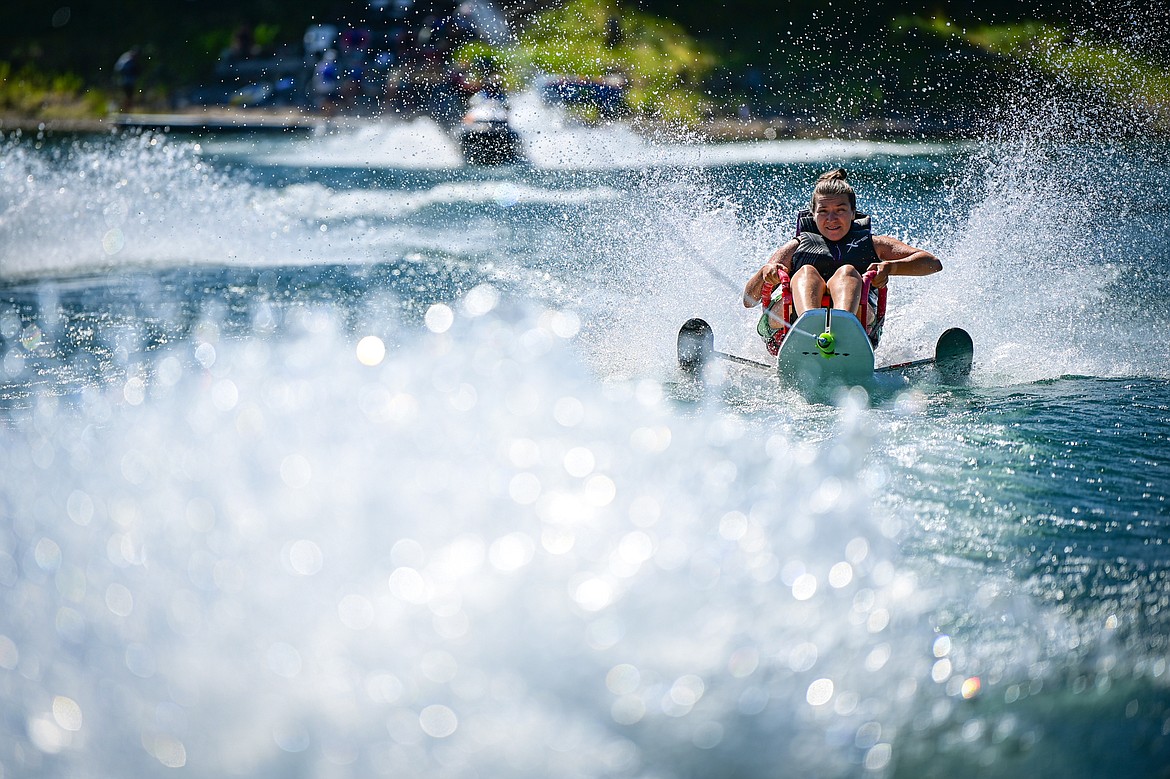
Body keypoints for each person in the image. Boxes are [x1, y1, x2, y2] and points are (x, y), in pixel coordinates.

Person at [743, 168, 942, 352]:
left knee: (847, 272)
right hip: (792, 325)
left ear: (853, 213)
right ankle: (809, 326)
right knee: (806, 272)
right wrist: (764, 274)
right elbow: (748, 301)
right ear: (813, 214)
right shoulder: (796, 246)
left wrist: (890, 268)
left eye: (840, 210)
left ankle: (844, 329)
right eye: (823, 211)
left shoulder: (874, 244)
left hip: (859, 321)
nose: (832, 218)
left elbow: (932, 263)